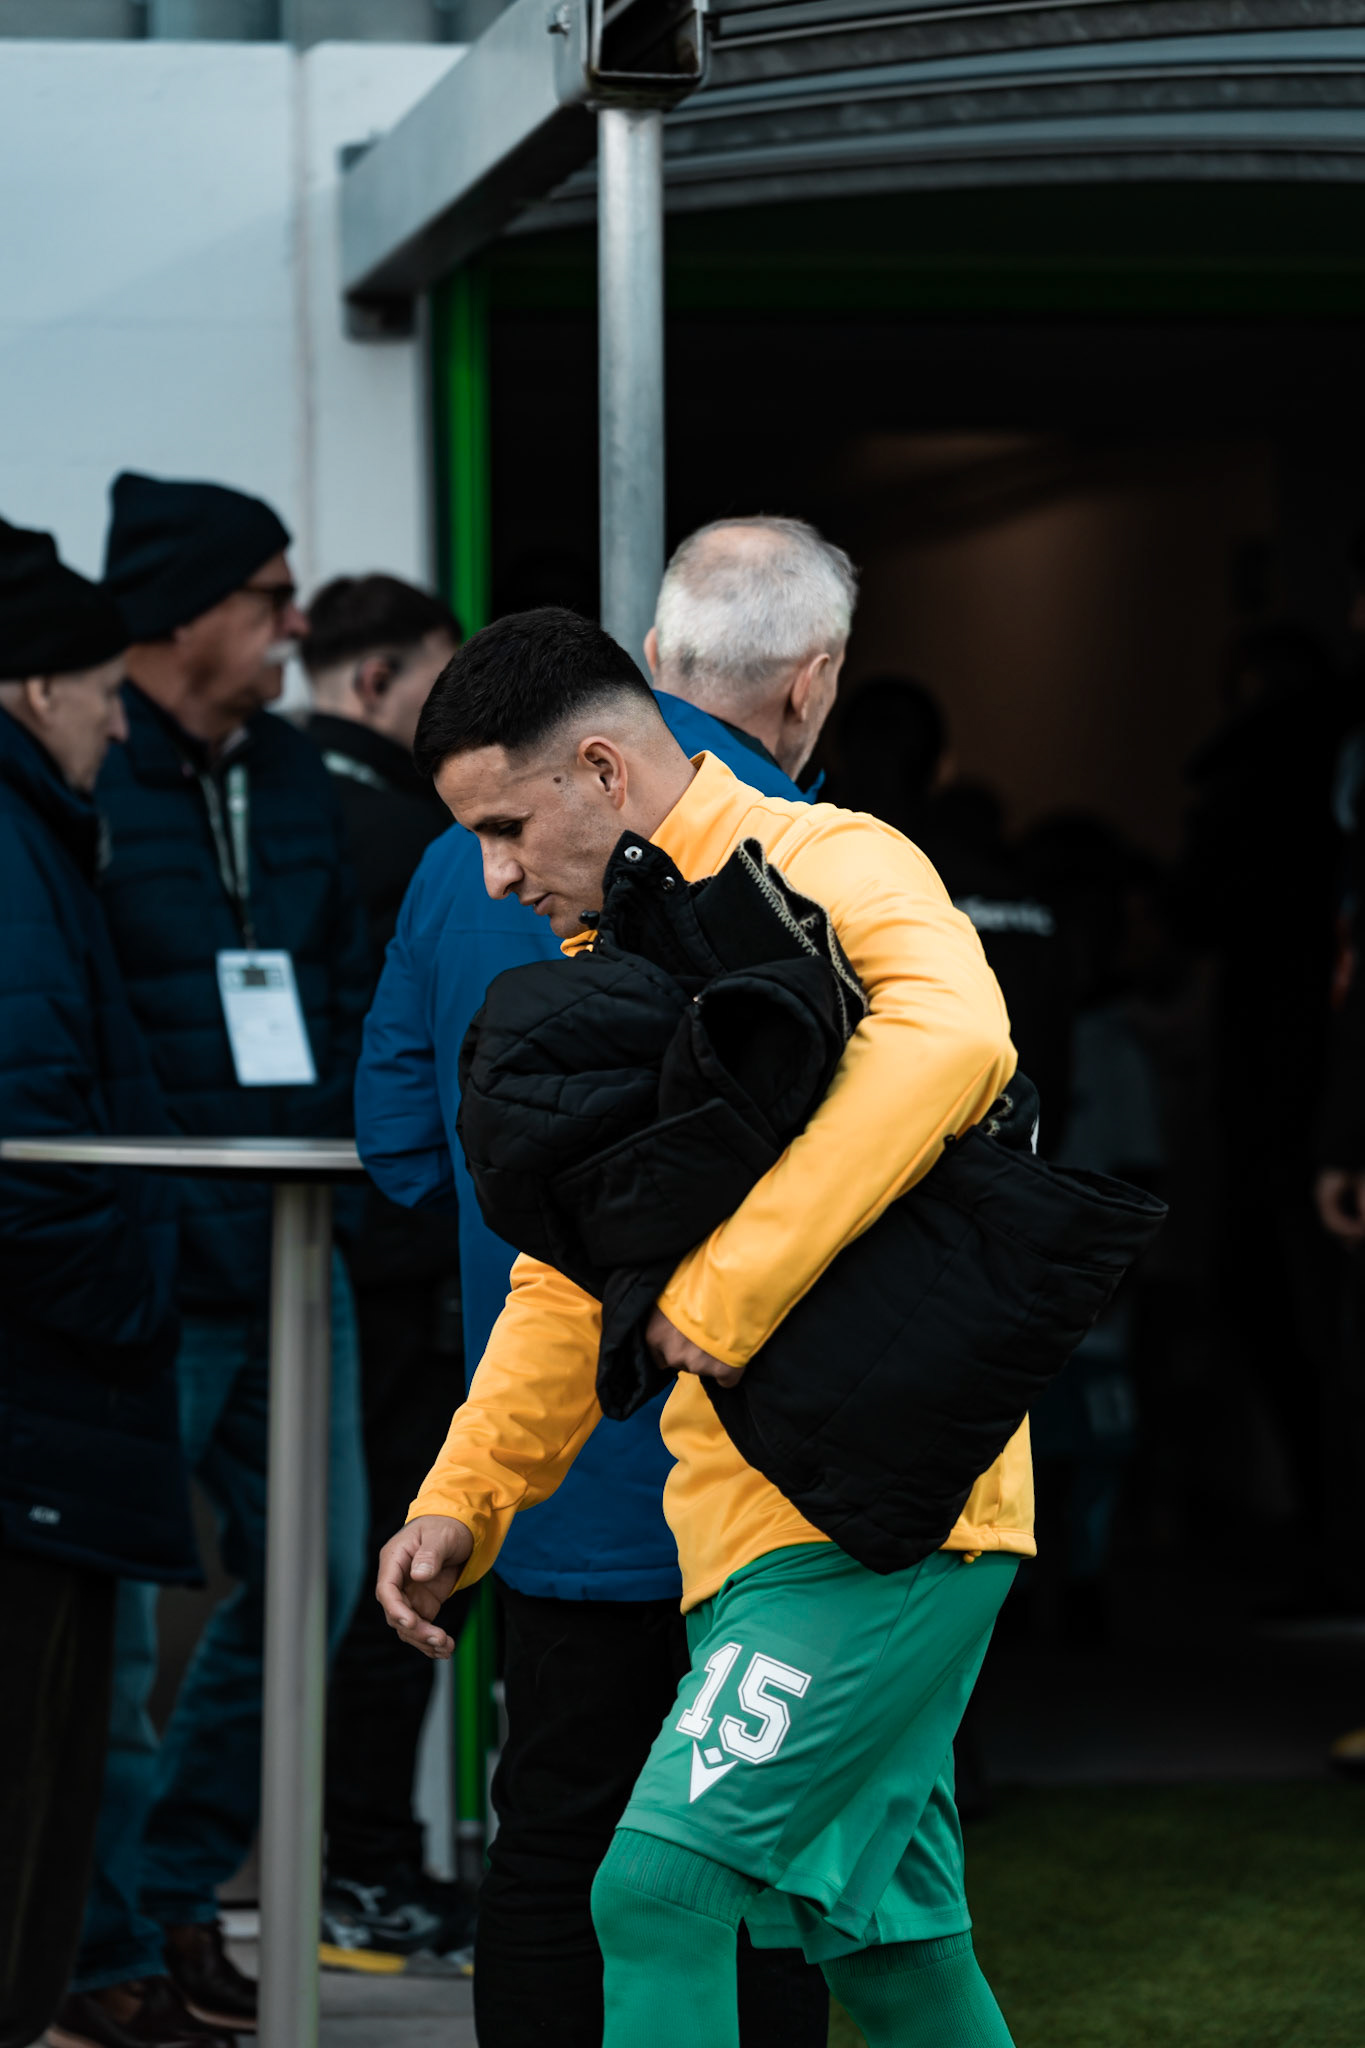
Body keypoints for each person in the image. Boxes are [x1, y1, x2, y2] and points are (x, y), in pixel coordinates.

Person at [377, 608, 1030, 2048]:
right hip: (748, 1533)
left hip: (881, 1521)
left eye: (503, 829)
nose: (491, 877)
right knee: (892, 1951)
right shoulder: (617, 946)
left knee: (659, 1889)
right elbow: (570, 1278)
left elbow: (955, 1040)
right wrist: (463, 1501)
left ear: (602, 773)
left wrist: (724, 1292)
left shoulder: (837, 861)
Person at [357, 517, 852, 2048]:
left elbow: (395, 1138)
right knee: (763, 1869)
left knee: (557, 1835)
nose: (515, 873)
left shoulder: (466, 853)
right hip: (761, 1478)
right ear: (813, 684)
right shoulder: (801, 859)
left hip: (553, 1467)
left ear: (649, 667)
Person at [51, 475, 372, 2048]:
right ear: (180, 612)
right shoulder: (85, 769)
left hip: (299, 1258)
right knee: (105, 1627)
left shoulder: (303, 772)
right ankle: (100, 1941)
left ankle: (176, 1890)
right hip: (147, 1270)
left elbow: (339, 974)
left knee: (319, 1586)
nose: (293, 622)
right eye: (267, 593)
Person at [0, 520, 200, 2048]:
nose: (121, 722)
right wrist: (135, 1285)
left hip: (54, 1390)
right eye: (97, 691)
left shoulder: (35, 837)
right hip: (40, 1390)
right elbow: (27, 1138)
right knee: (25, 1799)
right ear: (24, 690)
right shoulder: (8, 845)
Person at [299, 574, 475, 1953]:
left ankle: (354, 1860)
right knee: (399, 1562)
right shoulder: (389, 830)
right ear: (375, 683)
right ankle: (360, 1865)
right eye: (438, 679)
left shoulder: (258, 802)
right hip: (389, 1261)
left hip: (319, 1256)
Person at [838, 673, 1074, 1149]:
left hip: (867, 1175)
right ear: (944, 768)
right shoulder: (1029, 904)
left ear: (837, 759)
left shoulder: (805, 879)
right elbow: (1055, 1056)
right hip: (1013, 1181)